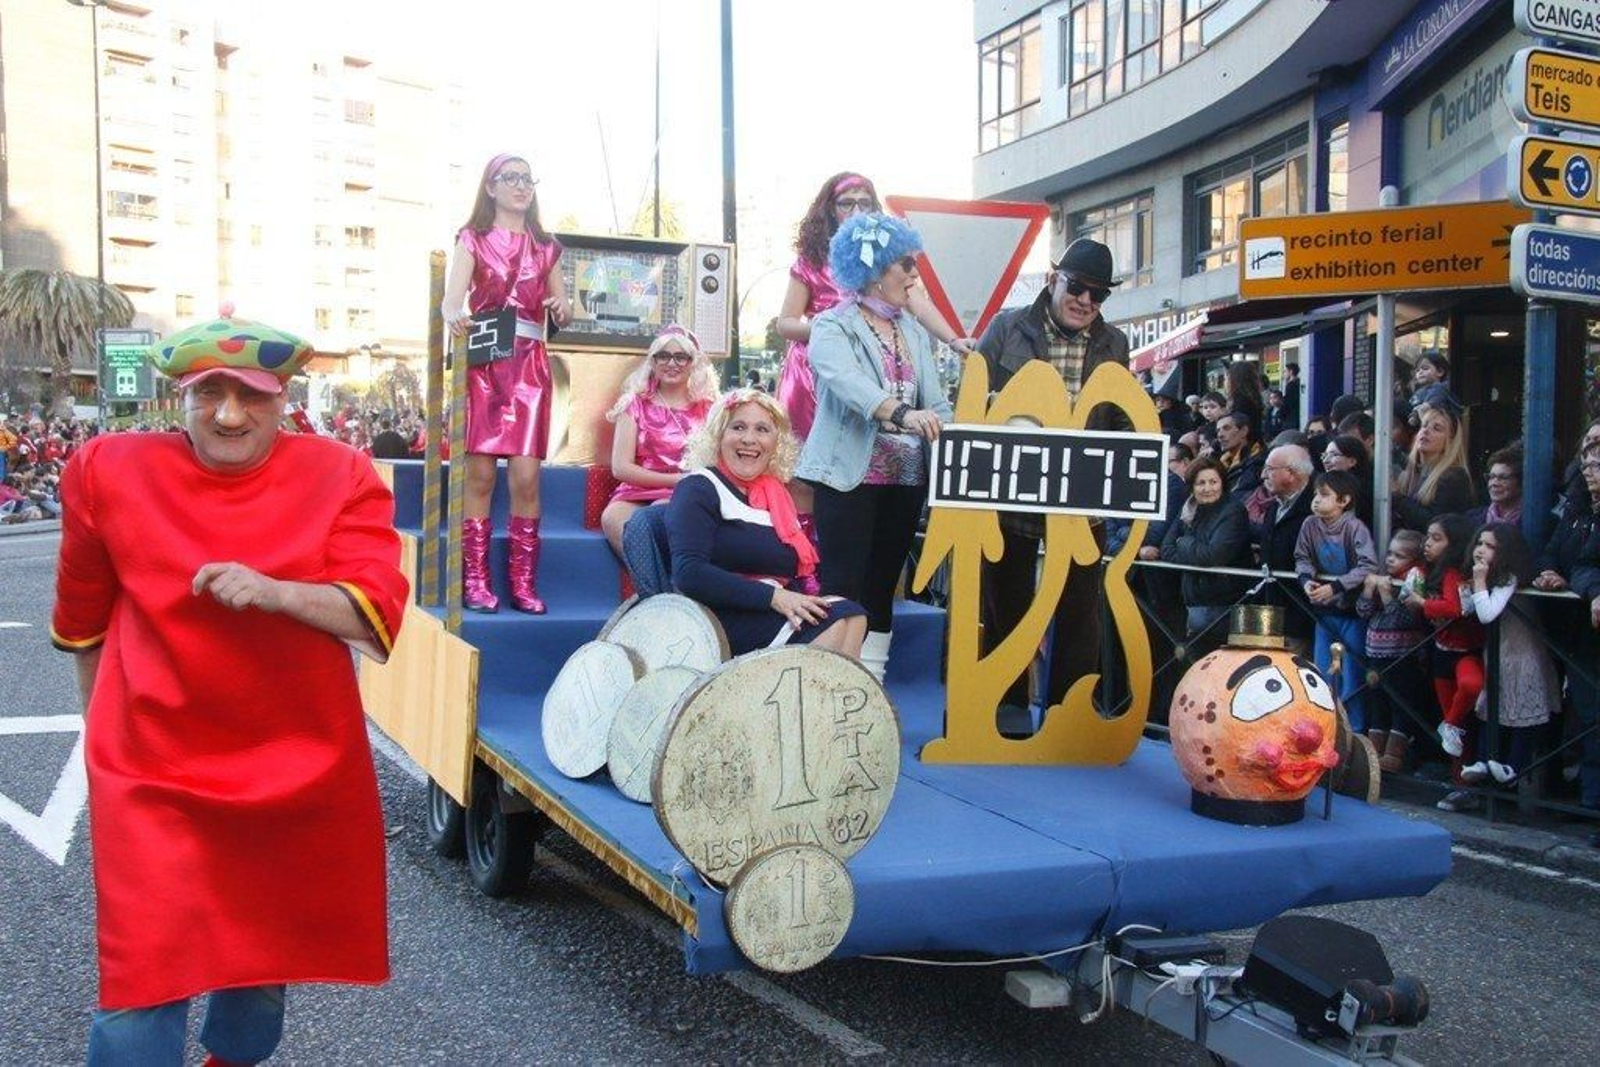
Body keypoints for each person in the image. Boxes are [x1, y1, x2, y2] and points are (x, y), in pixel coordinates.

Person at [51, 313, 408, 1065]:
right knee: (141, 977)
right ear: (179, 395)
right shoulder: (104, 469)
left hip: (288, 764)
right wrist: (101, 752)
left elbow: (375, 613)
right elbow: (83, 626)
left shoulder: (340, 472)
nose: (228, 413)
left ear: (283, 398)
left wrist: (277, 592)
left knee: (257, 963)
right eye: (208, 391)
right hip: (151, 765)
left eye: (251, 394)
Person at [975, 236, 1132, 715]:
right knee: (1006, 605)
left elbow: (1123, 416)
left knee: (1081, 613)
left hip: (1082, 503)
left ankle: (1071, 715)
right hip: (1013, 497)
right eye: (1079, 287)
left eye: (1099, 294)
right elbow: (973, 398)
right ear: (1053, 279)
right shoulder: (1006, 328)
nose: (1086, 301)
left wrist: (1129, 467)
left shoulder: (1114, 343)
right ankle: (1004, 711)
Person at [797, 212, 951, 682]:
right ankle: (830, 687)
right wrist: (900, 413)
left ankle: (870, 689)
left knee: (883, 584)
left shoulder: (914, 331)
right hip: (848, 477)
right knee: (843, 585)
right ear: (874, 270)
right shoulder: (831, 325)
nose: (912, 273)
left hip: (905, 480)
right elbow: (847, 383)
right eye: (904, 263)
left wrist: (957, 431)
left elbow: (937, 402)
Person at [441, 152, 574, 614]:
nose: (521, 185)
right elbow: (451, 302)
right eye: (510, 177)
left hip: (530, 365)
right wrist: (456, 317)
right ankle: (475, 581)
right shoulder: (472, 239)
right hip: (485, 360)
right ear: (491, 187)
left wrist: (563, 308)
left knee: (526, 475)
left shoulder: (546, 246)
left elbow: (564, 305)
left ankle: (523, 581)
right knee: (479, 473)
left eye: (527, 178)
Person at [774, 172, 971, 449]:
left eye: (864, 203)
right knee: (804, 461)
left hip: (876, 361)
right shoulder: (812, 260)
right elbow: (785, 323)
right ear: (830, 209)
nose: (856, 210)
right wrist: (836, 329)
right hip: (812, 370)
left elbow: (919, 303)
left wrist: (953, 339)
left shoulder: (890, 262)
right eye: (846, 203)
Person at [668, 389, 866, 657]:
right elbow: (689, 573)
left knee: (853, 616)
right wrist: (776, 598)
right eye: (738, 427)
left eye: (762, 429)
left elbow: (789, 573)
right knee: (830, 626)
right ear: (718, 436)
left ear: (776, 443)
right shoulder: (699, 487)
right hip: (717, 615)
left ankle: (830, 696)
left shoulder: (775, 494)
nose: (750, 439)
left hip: (770, 605)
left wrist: (795, 599)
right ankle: (806, 697)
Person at [600, 325, 718, 556]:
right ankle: (654, 587)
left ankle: (670, 587)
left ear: (693, 363)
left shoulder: (710, 410)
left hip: (688, 491)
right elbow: (620, 467)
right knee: (612, 518)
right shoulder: (633, 404)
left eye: (680, 357)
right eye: (663, 356)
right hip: (637, 489)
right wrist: (675, 480)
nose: (671, 363)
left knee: (658, 515)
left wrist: (683, 485)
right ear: (652, 363)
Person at [1460, 522, 1558, 788]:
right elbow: (1468, 608)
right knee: (1490, 707)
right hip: (1498, 651)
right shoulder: (1485, 575)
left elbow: (1487, 613)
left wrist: (1479, 582)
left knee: (1521, 709)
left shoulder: (1509, 577)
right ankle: (1483, 758)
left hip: (1521, 653)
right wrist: (1471, 585)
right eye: (1479, 543)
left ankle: (1515, 764)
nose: (1481, 550)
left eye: (1490, 546)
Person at [1534, 442, 1600, 826]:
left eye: (1597, 464)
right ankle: (1592, 803)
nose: (1590, 469)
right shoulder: (1575, 512)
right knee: (1590, 716)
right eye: (1587, 462)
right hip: (1583, 632)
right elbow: (1574, 560)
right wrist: (1555, 575)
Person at [1399, 514, 1484, 802]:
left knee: (1468, 693)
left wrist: (1423, 603)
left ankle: (1452, 734)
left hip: (1466, 651)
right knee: (1456, 732)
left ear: (1454, 543)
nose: (1427, 543)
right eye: (1428, 537)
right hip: (1441, 651)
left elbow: (1455, 608)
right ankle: (1460, 782)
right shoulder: (1426, 571)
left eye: (1436, 538)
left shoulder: (1454, 573)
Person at [1295, 470, 1378, 731]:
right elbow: (1302, 556)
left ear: (1344, 500)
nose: (1317, 500)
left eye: (1324, 495)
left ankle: (1354, 730)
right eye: (1316, 495)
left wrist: (1336, 586)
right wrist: (1306, 580)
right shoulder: (1309, 524)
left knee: (1352, 676)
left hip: (1351, 612)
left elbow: (1368, 565)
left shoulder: (1355, 528)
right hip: (1324, 613)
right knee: (1322, 671)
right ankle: (1325, 726)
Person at [1160, 456, 1254, 659]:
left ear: (1222, 483)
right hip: (1193, 602)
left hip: (1225, 604)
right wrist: (1191, 551)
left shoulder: (1233, 510)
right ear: (1192, 486)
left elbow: (1214, 555)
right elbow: (1166, 549)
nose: (1207, 488)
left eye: (1213, 482)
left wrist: (1183, 543)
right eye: (1201, 483)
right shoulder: (1188, 509)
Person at [1359, 529, 1431, 772]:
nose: (1390, 559)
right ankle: (1372, 751)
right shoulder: (1383, 579)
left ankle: (1394, 754)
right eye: (1389, 553)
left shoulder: (1413, 581)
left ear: (1413, 561)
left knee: (1400, 703)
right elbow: (1363, 612)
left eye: (1399, 556)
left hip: (1401, 655)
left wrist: (1388, 595)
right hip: (1375, 653)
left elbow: (1406, 618)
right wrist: (1370, 590)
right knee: (1377, 701)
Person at [1254, 444, 1317, 647]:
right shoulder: (1274, 506)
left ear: (1291, 473)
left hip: (1302, 613)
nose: (1263, 475)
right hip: (1273, 611)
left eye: (1270, 469)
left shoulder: (1316, 507)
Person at [1393, 403, 1474, 532]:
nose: (1425, 431)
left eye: (1437, 428)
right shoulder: (1414, 472)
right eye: (1424, 426)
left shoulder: (1453, 477)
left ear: (1450, 441)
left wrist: (1397, 498)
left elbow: (1435, 524)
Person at [1321, 433, 1373, 528]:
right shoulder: (1326, 486)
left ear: (1352, 461)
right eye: (1324, 455)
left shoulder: (1361, 491)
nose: (1326, 460)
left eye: (1334, 455)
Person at [1466, 447, 1524, 530]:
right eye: (1491, 477)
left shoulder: (1531, 521)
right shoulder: (1471, 519)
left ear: (1520, 482)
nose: (1494, 483)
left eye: (1503, 478)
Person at [1215, 411, 1264, 501]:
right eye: (1218, 430)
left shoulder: (1257, 463)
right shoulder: (1221, 462)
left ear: (1244, 431)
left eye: (1226, 428)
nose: (1220, 435)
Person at [1281, 362, 1301, 429]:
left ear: (1291, 372)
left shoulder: (1291, 385)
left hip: (1291, 419)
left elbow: (1287, 403)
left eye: (1285, 371)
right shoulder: (1299, 383)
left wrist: (1281, 414)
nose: (1284, 374)